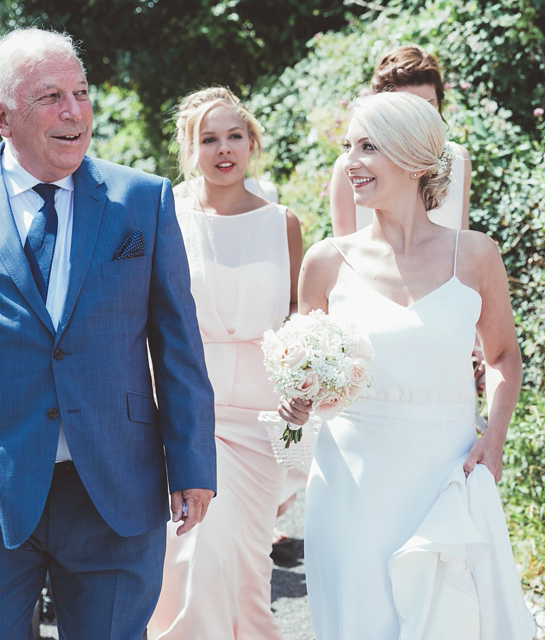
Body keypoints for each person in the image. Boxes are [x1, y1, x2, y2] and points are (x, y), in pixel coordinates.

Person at [0, 28, 217, 639]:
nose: (74, 112)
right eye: (50, 97)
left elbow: (178, 345)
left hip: (117, 489)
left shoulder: (143, 200)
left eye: (81, 93)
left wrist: (193, 462)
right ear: (1, 116)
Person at [280, 91, 536, 638]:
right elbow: (303, 370)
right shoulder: (326, 262)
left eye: (368, 147)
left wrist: (494, 437)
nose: (351, 162)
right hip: (350, 485)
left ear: (416, 159)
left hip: (443, 476)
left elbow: (502, 355)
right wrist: (296, 400)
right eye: (349, 147)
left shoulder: (476, 256)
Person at [148, 87, 303, 639]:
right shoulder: (168, 214)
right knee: (196, 553)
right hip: (191, 406)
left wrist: (305, 371)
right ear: (190, 149)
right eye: (208, 139)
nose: (223, 149)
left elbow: (297, 313)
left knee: (250, 563)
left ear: (252, 141)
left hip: (264, 416)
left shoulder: (283, 222)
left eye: (234, 135)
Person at [329, 44, 473, 236]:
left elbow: (461, 240)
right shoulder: (350, 168)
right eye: (404, 110)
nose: (417, 120)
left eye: (426, 107)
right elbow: (344, 251)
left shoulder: (458, 158)